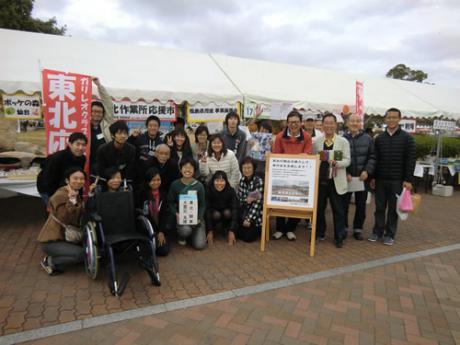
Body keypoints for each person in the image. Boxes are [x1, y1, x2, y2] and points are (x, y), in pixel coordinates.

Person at [369, 107, 416, 246]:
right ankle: (377, 232)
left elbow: (411, 160)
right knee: (379, 208)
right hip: (381, 179)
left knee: (393, 209)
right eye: (389, 117)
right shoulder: (379, 139)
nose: (391, 120)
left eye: (394, 117)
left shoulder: (407, 138)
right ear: (385, 119)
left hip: (398, 180)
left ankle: (390, 234)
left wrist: (408, 180)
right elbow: (375, 159)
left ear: (399, 119)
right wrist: (373, 177)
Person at [272, 110, 313, 241]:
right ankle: (279, 228)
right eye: (291, 122)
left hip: (300, 175)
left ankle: (290, 228)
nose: (293, 125)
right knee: (279, 199)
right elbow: (276, 155)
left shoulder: (306, 137)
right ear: (287, 123)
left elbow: (308, 154)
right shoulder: (279, 137)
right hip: (283, 174)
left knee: (298, 202)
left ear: (301, 123)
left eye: (296, 122)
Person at [38, 167, 86, 275]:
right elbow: (65, 218)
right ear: (67, 180)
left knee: (86, 248)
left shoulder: (75, 193)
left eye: (82, 179)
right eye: (75, 178)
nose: (79, 181)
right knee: (82, 254)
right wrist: (72, 201)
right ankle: (50, 261)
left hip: (65, 237)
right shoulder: (60, 196)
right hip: (52, 241)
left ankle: (64, 253)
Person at [313, 113, 350, 248]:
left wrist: (337, 163)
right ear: (322, 125)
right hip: (321, 180)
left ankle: (339, 236)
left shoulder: (343, 141)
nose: (328, 125)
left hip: (336, 179)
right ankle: (320, 233)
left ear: (336, 125)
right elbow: (314, 159)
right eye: (326, 123)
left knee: (338, 209)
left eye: (331, 123)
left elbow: (347, 160)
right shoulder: (317, 141)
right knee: (319, 208)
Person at [342, 114, 376, 240]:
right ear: (347, 123)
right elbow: (338, 158)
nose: (355, 123)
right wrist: (344, 172)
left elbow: (372, 157)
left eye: (357, 121)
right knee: (343, 205)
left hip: (362, 178)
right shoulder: (341, 139)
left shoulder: (368, 139)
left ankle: (358, 229)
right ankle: (343, 227)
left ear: (360, 123)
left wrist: (367, 171)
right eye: (352, 121)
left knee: (361, 205)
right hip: (347, 177)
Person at [37, 132, 87, 206]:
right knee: (57, 210)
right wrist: (56, 198)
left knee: (70, 210)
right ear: (70, 144)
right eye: (78, 144)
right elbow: (48, 180)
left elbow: (78, 176)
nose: (80, 148)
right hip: (48, 188)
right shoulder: (57, 158)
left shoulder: (82, 158)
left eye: (83, 145)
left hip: (66, 188)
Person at [166, 157, 206, 250]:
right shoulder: (175, 184)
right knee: (185, 231)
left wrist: (199, 218)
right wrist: (176, 213)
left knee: (199, 246)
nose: (187, 170)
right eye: (185, 167)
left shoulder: (199, 185)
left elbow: (202, 205)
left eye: (190, 168)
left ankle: (195, 233)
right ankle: (182, 236)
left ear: (194, 170)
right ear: (180, 169)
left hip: (196, 218)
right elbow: (170, 202)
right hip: (182, 217)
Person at [137, 167, 170, 256]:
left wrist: (161, 231)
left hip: (160, 228)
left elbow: (164, 214)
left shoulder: (163, 193)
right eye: (153, 180)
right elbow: (144, 214)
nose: (156, 182)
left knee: (163, 251)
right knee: (147, 251)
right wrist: (155, 231)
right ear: (148, 181)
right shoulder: (142, 194)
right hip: (147, 228)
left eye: (158, 179)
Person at [205, 171, 239, 246]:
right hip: (213, 213)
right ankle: (213, 229)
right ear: (213, 181)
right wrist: (209, 230)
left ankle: (227, 228)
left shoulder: (231, 190)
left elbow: (235, 209)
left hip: (226, 213)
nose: (219, 183)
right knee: (216, 214)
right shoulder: (208, 190)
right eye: (217, 180)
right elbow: (207, 210)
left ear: (226, 181)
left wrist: (232, 230)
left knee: (228, 213)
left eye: (222, 180)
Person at [89, 77, 114, 174]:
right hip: (89, 164)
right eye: (94, 111)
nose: (97, 114)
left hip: (105, 163)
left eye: (100, 112)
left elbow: (108, 104)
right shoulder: (84, 126)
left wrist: (99, 86)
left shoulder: (106, 124)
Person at [238, 157, 263, 242]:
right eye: (244, 168)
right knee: (238, 234)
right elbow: (241, 199)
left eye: (249, 168)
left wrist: (249, 218)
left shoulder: (258, 181)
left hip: (256, 213)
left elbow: (257, 204)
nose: (246, 170)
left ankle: (258, 228)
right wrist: (247, 199)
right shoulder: (241, 180)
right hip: (245, 210)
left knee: (248, 238)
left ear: (253, 168)